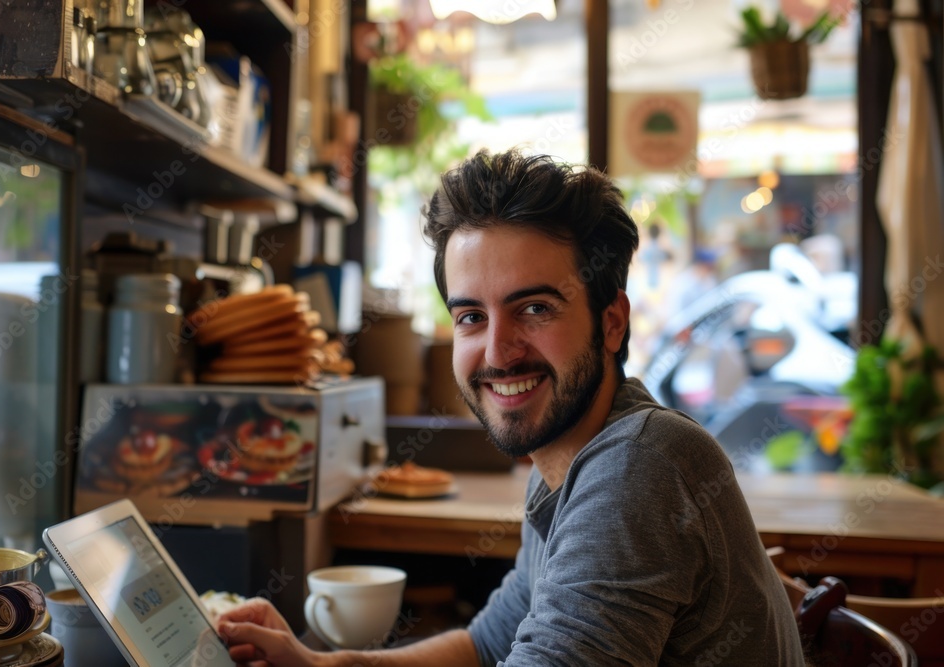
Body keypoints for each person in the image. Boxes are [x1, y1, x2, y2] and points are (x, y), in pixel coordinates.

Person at [218, 149, 805, 666]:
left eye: (535, 309)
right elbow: (487, 644)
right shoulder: (563, 461)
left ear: (612, 321)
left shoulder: (638, 467)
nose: (497, 353)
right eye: (471, 317)